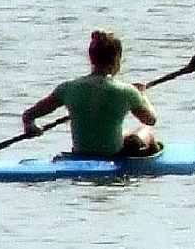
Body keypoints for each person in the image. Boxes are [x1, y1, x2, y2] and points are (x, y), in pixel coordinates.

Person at [21, 29, 161, 160]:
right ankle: (147, 166)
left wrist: (30, 125)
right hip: (112, 154)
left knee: (125, 134)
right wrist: (142, 95)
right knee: (146, 130)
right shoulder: (127, 91)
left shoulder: (68, 88)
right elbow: (150, 120)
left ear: (91, 58)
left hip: (80, 152)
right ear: (117, 59)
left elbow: (28, 115)